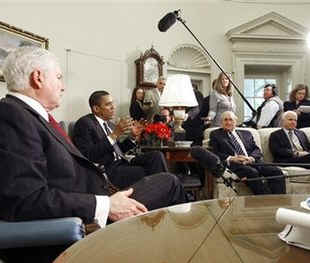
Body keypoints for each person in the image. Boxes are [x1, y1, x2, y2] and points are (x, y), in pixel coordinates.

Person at [0, 47, 187, 261]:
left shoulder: (32, 116)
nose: (63, 86)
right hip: (78, 222)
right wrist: (105, 206)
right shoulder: (11, 115)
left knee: (163, 178)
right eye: (59, 77)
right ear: (38, 78)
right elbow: (25, 199)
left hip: (94, 199)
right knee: (169, 183)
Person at [73, 90, 169, 188]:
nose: (113, 107)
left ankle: (166, 190)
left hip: (122, 163)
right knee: (149, 172)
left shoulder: (109, 124)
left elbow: (118, 149)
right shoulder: (85, 124)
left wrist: (132, 136)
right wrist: (114, 135)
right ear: (96, 108)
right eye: (108, 104)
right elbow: (88, 155)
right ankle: (166, 192)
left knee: (157, 156)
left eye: (113, 103)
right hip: (108, 170)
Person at [209, 111, 286, 195]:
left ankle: (280, 200)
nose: (228, 122)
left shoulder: (246, 133)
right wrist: (232, 158)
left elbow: (257, 150)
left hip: (252, 162)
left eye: (231, 120)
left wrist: (251, 158)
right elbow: (215, 153)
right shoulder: (216, 134)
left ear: (235, 122)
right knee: (252, 172)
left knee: (276, 171)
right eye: (225, 120)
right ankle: (266, 200)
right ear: (221, 122)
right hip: (235, 165)